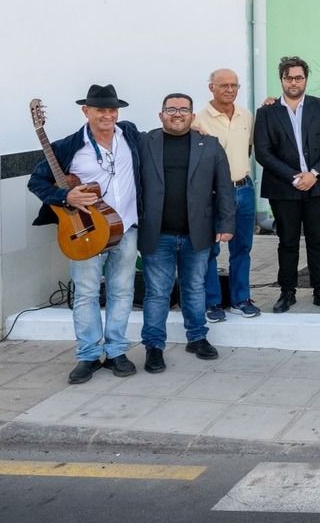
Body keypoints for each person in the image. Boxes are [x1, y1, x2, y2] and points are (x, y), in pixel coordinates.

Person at [28, 84, 144, 384]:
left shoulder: (129, 135)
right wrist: (67, 198)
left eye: (111, 109)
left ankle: (117, 351)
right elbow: (37, 182)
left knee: (122, 292)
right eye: (100, 109)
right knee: (86, 294)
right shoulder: (69, 145)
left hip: (125, 228)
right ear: (86, 111)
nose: (107, 115)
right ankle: (88, 355)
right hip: (85, 231)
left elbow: (166, 135)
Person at [137, 93, 235, 373]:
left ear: (193, 116)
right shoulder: (145, 142)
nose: (177, 114)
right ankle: (154, 346)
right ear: (161, 114)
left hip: (198, 233)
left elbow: (225, 188)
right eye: (171, 109)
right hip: (158, 233)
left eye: (183, 109)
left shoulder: (211, 145)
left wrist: (226, 224)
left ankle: (197, 337)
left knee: (195, 287)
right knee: (157, 292)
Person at [253, 56, 320, 313]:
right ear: (281, 79)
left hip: (319, 185)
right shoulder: (267, 112)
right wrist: (295, 177)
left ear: (306, 79)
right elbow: (263, 153)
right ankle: (287, 291)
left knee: (319, 240)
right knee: (287, 241)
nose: (294, 82)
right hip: (283, 188)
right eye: (288, 77)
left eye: (298, 77)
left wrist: (314, 174)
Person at [191, 68, 261, 320]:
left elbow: (249, 149)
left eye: (234, 85)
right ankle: (212, 302)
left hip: (243, 189)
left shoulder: (246, 116)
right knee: (210, 249)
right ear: (211, 87)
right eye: (224, 85)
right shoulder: (198, 120)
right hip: (212, 194)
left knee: (242, 247)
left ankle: (241, 299)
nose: (230, 90)